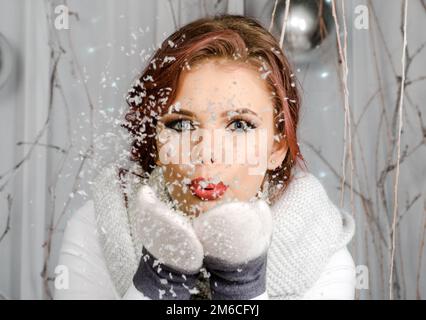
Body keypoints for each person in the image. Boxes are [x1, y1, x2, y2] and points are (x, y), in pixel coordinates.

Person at [54, 14, 356, 300]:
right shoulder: (102, 226)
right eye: (181, 124)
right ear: (155, 139)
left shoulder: (317, 247)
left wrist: (240, 282)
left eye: (239, 125)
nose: (206, 153)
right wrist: (161, 279)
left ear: (277, 148)